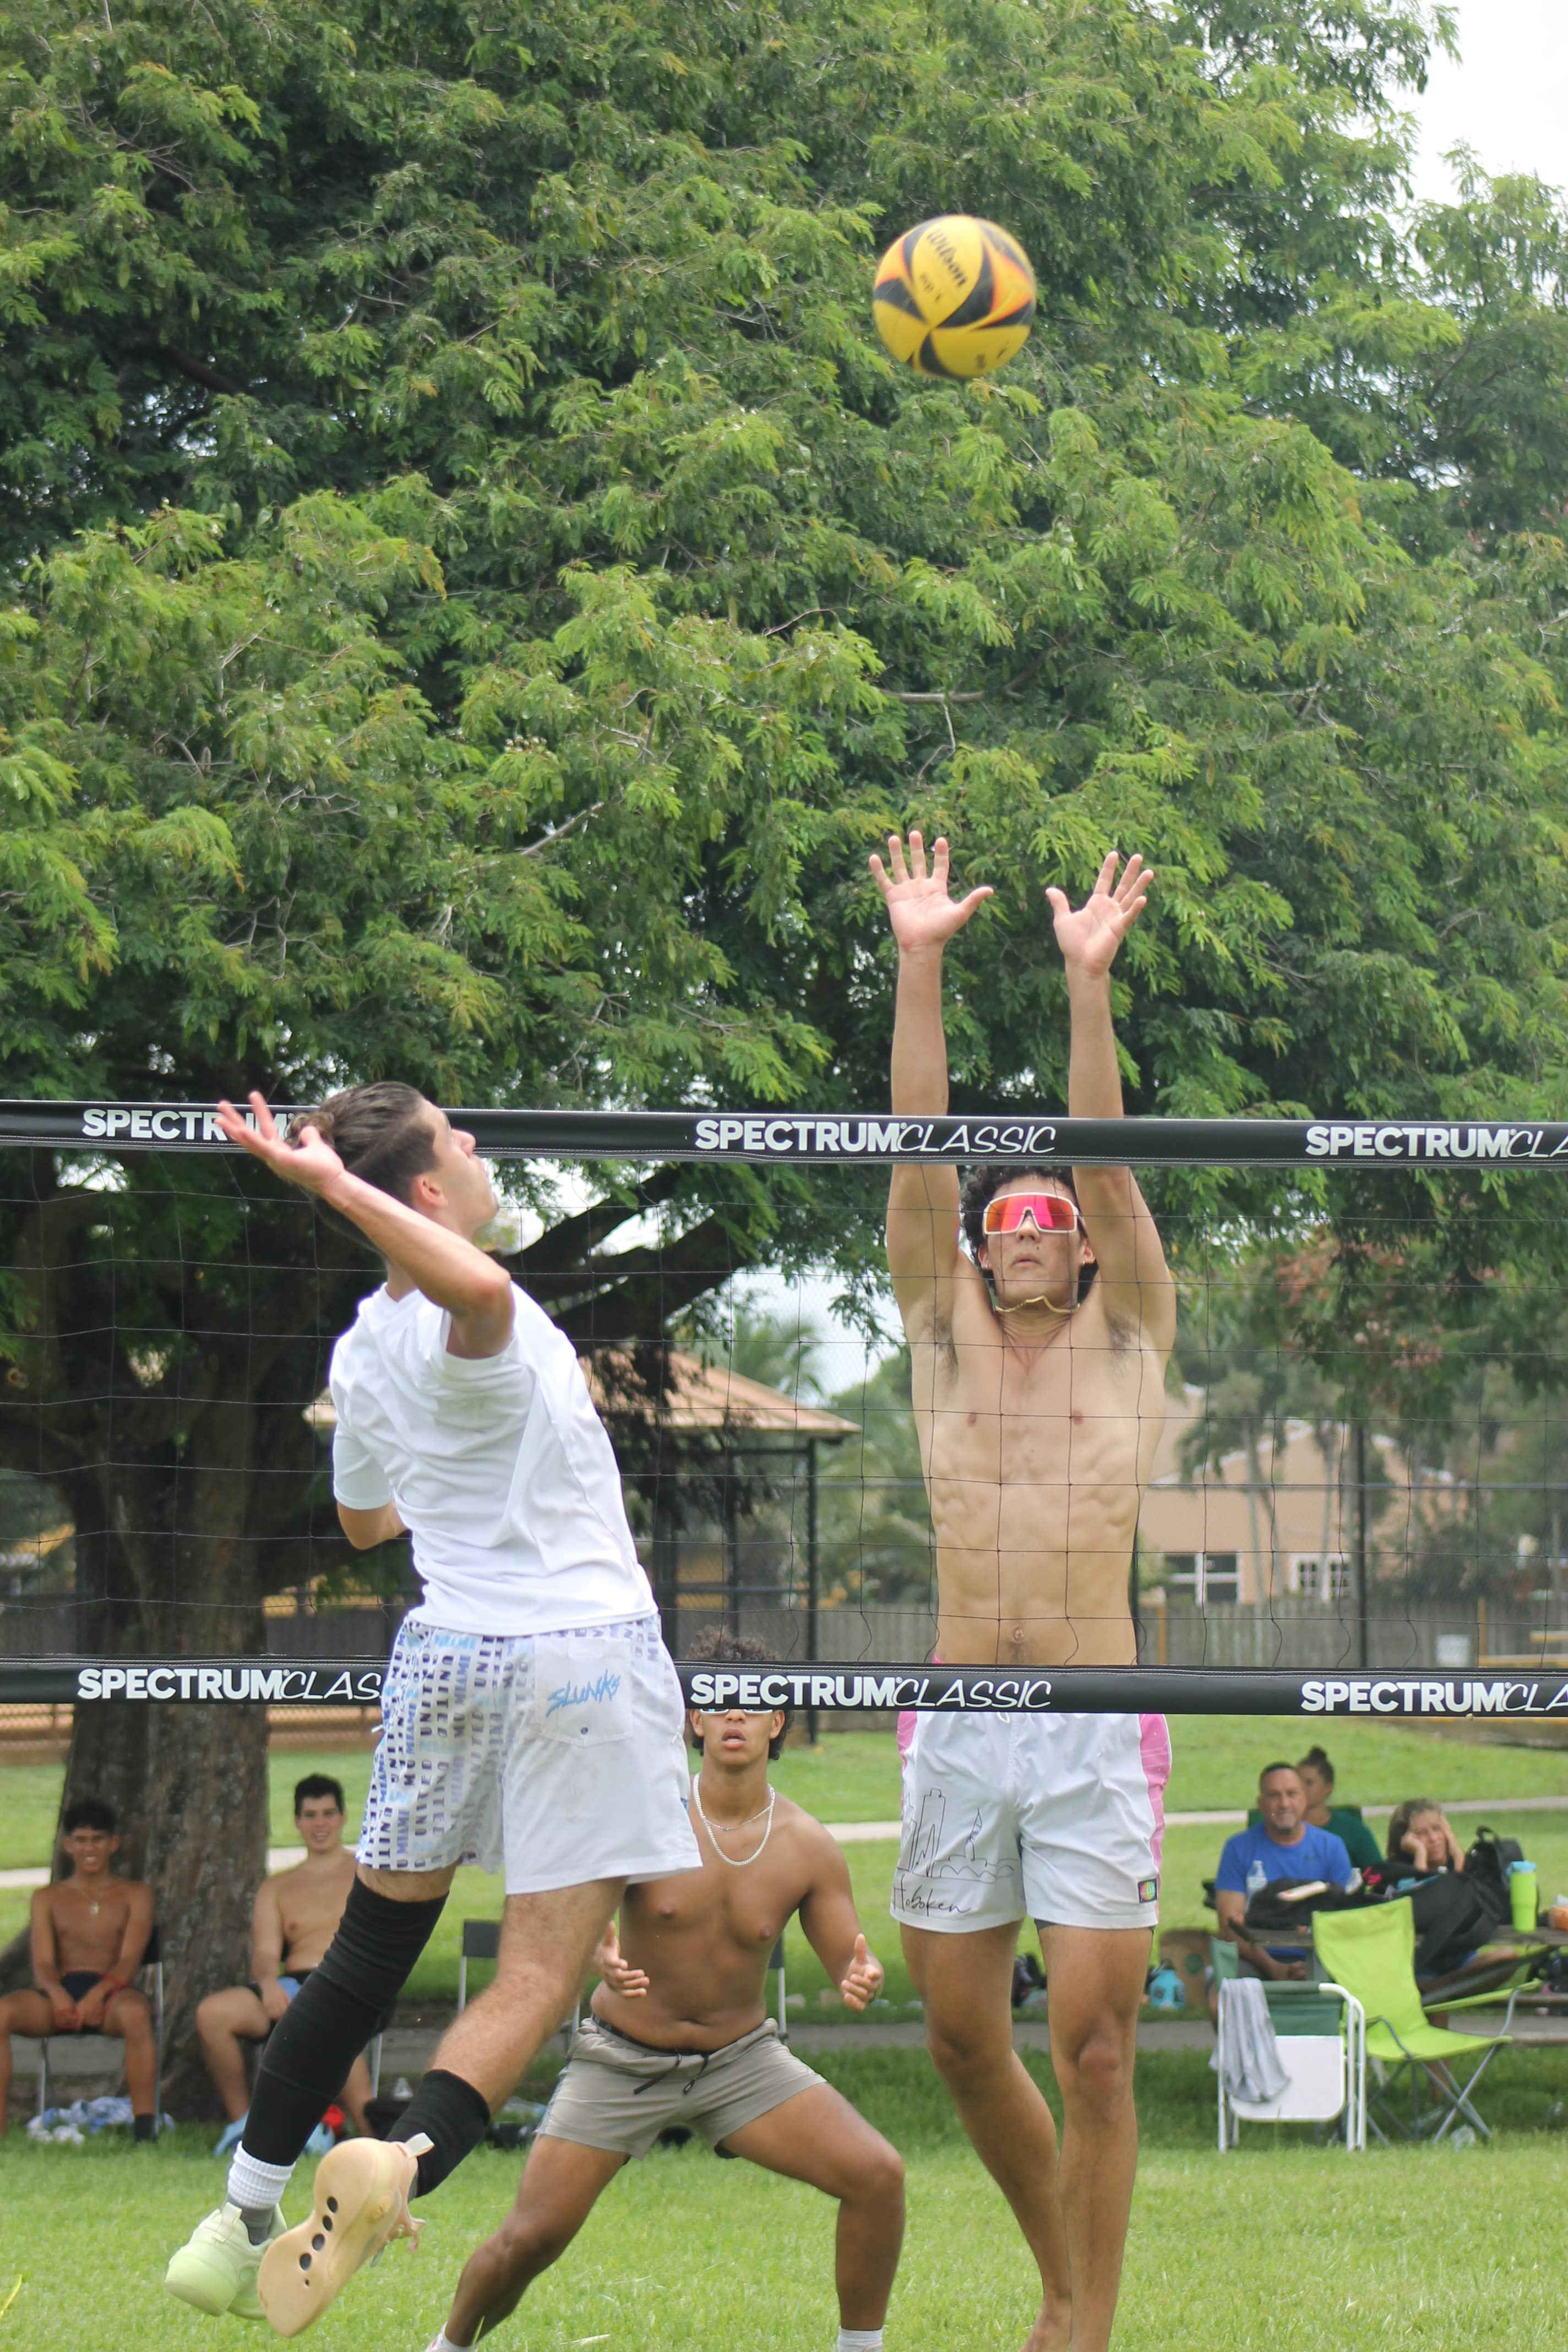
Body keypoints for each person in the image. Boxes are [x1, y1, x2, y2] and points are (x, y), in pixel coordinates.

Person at [166, 1082, 700, 2337]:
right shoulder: (478, 1311)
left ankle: (239, 2214)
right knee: (533, 1980)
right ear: (422, 1194)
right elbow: (477, 1295)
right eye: (456, 1139)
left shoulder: (359, 1349)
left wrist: (471, 1494)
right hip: (577, 1650)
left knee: (360, 1956)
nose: (476, 1145)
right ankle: (393, 2165)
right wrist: (327, 1185)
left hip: (446, 1652)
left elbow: (362, 1522)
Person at [871, 831, 1175, 2352]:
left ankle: (1084, 2323)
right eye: (1019, 1213)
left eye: (1060, 1213)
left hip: (1096, 1715)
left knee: (1099, 2049)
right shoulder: (941, 1324)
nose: (1042, 1225)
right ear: (987, 1244)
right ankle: (1052, 2269)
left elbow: (1112, 1166)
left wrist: (1085, 986)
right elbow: (920, 1155)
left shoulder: (1134, 1337)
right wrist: (920, 960)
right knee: (959, 2033)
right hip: (960, 1710)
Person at [428, 1630, 905, 2352]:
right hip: (623, 2059)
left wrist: (857, 1974)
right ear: (695, 1722)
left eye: (753, 1705)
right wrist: (599, 1950)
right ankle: (448, 2345)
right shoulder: (647, 1812)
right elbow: (575, 1909)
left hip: (742, 2063)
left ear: (778, 1722)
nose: (735, 1717)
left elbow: (848, 1950)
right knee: (532, 2238)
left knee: (877, 2175)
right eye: (719, 1705)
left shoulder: (807, 1844)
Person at [196, 1776, 374, 2152]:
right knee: (214, 2014)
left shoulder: (367, 1872)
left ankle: (370, 2136)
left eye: (328, 1813)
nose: (319, 1824)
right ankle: (246, 2129)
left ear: (344, 1817)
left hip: (353, 1984)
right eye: (310, 1815)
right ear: (297, 1822)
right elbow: (264, 1953)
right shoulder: (278, 1887)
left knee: (334, 2016)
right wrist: (268, 1985)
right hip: (293, 1985)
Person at [0, 1799, 156, 2139]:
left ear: (113, 1844)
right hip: (62, 1989)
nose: (90, 1848)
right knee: (2, 2013)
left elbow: (129, 1960)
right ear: (68, 1845)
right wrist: (58, 1996)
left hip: (114, 1992)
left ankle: (145, 2128)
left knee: (136, 2015)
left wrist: (99, 1996)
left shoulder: (135, 1894)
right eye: (81, 1840)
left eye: (97, 1840)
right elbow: (42, 1961)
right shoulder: (48, 1898)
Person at [1213, 1765, 1355, 1983]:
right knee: (1219, 2001)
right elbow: (1228, 1926)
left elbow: (1347, 1920)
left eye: (1292, 1794)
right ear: (1261, 1805)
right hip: (1256, 1959)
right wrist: (1273, 1968)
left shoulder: (1332, 1847)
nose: (1285, 1804)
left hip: (1322, 1957)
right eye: (1274, 1796)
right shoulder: (1238, 1848)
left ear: (1305, 1799)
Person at [1295, 1746, 1381, 1872]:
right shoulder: (1283, 1828)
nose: (1301, 1789)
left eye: (1309, 1783)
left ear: (1328, 1788)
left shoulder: (1352, 1830)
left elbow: (1379, 1874)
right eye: (1297, 1783)